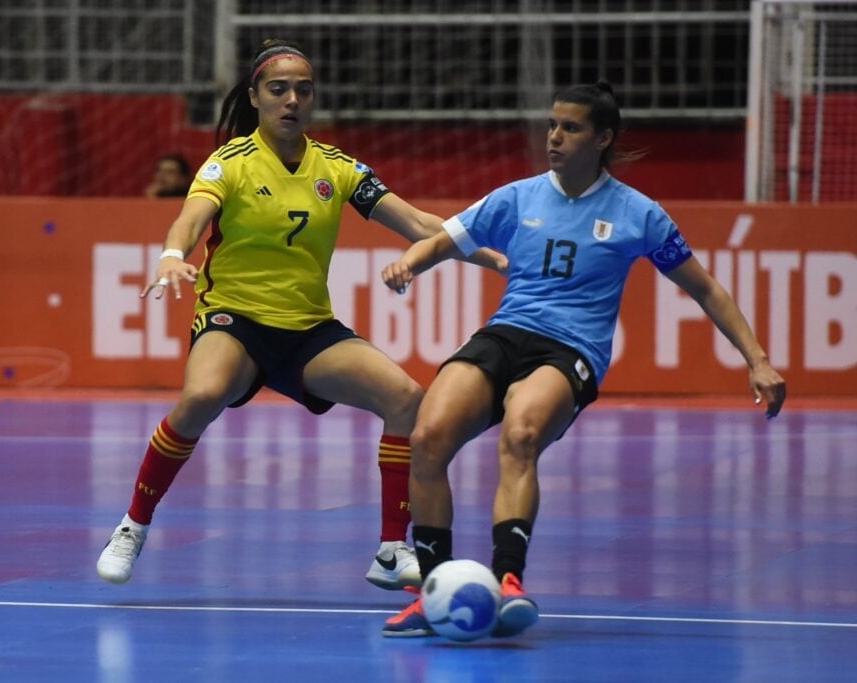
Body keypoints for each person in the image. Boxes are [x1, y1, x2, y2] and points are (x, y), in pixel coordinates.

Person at [379, 82, 787, 637]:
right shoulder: (517, 197)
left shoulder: (638, 214)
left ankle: (507, 580)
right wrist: (410, 262)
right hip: (505, 334)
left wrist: (757, 360)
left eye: (570, 128)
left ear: (602, 139)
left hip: (571, 349)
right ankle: (433, 592)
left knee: (521, 435)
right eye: (553, 125)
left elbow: (707, 289)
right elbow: (443, 239)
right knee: (428, 437)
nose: (555, 137)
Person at [96, 39, 506, 591]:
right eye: (278, 89)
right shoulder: (230, 163)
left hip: (309, 328)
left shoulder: (337, 168)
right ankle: (133, 525)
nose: (292, 100)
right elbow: (191, 219)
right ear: (255, 97)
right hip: (235, 318)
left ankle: (391, 550)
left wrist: (491, 255)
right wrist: (172, 255)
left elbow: (418, 224)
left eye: (303, 90)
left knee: (407, 399)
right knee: (201, 395)